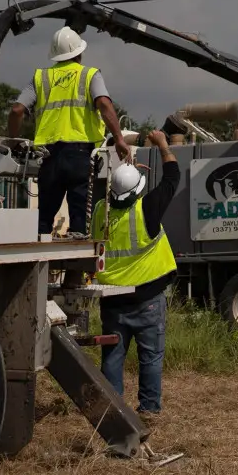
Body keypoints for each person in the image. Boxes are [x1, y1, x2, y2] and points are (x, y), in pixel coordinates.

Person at [8, 26, 130, 235]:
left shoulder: (40, 77)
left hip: (49, 156)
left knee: (43, 218)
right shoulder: (89, 75)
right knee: (79, 217)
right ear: (79, 52)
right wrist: (119, 138)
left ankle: (40, 254)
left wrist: (12, 142)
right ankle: (76, 261)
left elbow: (17, 110)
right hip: (80, 155)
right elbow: (104, 103)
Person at [91, 129, 180, 418]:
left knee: (112, 359)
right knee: (151, 357)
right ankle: (149, 411)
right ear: (138, 189)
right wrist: (163, 145)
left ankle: (113, 414)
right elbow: (171, 178)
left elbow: (104, 185)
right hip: (148, 298)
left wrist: (120, 165)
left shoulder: (101, 211)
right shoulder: (147, 208)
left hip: (113, 300)